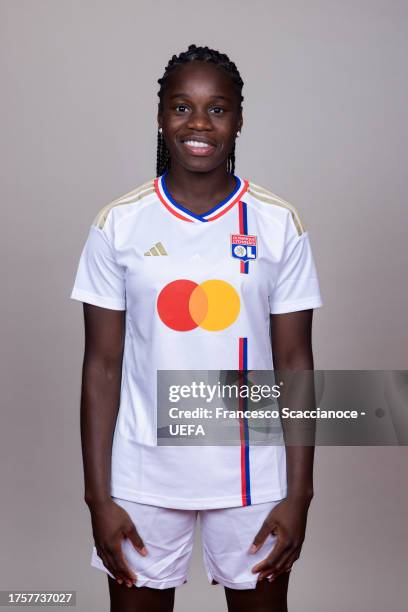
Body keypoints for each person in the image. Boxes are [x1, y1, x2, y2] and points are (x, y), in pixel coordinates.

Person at [70, 44, 323, 612]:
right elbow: (102, 365)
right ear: (161, 118)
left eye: (218, 108)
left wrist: (299, 494)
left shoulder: (279, 223)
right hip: (141, 477)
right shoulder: (120, 223)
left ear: (238, 119)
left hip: (255, 478)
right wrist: (98, 498)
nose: (200, 123)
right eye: (182, 107)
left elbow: (295, 364)